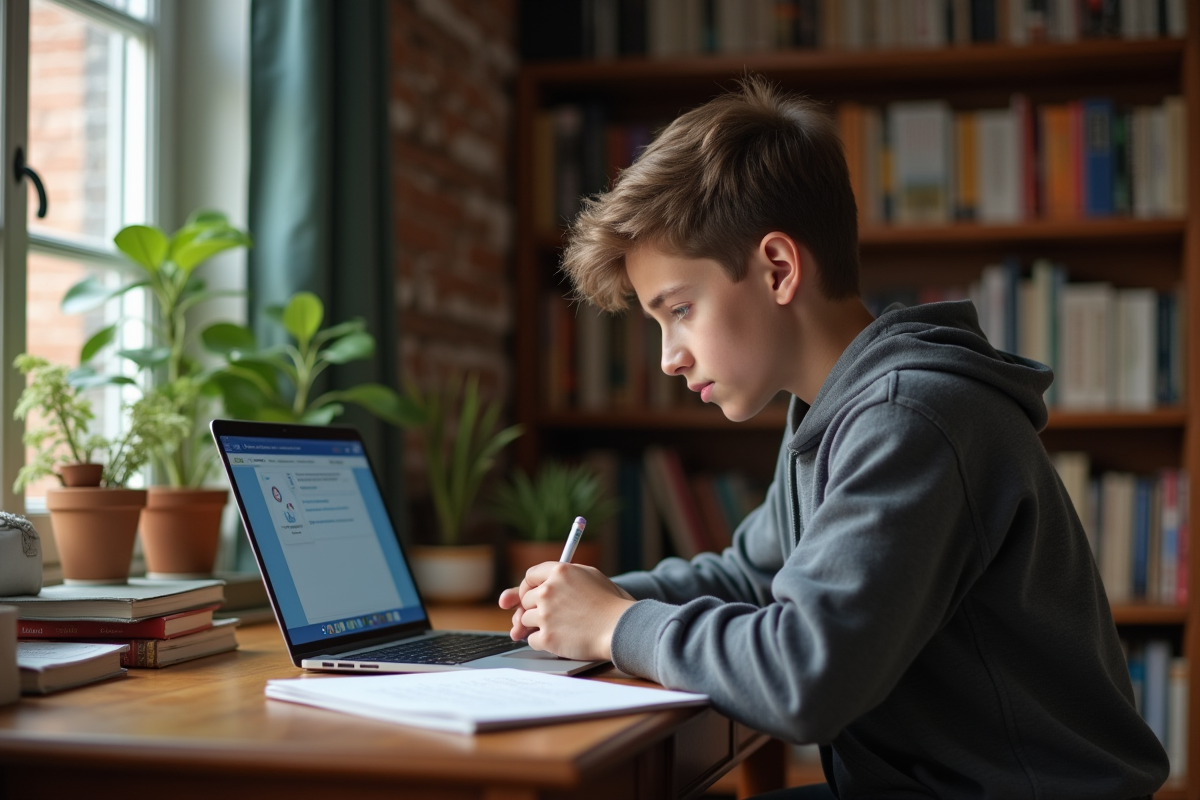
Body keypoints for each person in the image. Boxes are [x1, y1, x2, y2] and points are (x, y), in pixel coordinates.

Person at [498, 76, 1168, 799]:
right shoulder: (836, 412)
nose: (669, 356)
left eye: (680, 310)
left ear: (779, 269)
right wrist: (588, 601)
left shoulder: (912, 418)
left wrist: (618, 626)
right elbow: (749, 578)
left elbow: (802, 677)